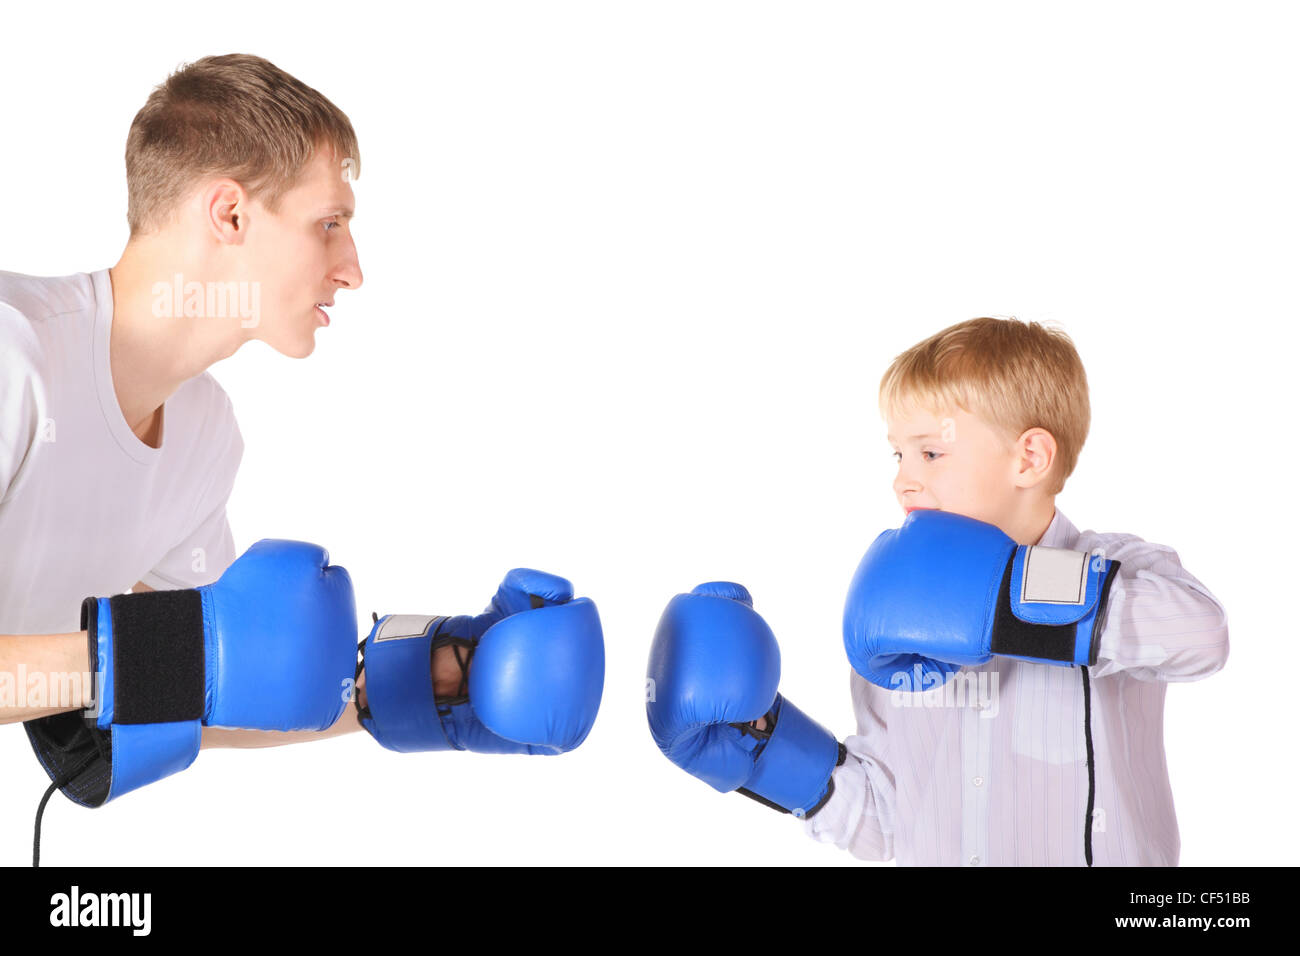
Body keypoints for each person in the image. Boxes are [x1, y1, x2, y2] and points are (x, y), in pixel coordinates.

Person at [1, 53, 602, 864]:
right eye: (329, 223)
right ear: (230, 214)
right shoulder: (15, 356)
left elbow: (224, 679)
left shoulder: (206, 435)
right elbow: (195, 654)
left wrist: (426, 686)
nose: (353, 268)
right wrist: (169, 652)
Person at [647, 316, 1228, 866]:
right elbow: (888, 819)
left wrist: (1000, 595)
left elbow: (1202, 634)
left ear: (1029, 457)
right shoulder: (895, 620)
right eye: (898, 453)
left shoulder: (1118, 565)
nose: (904, 477)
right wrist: (763, 748)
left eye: (931, 452)